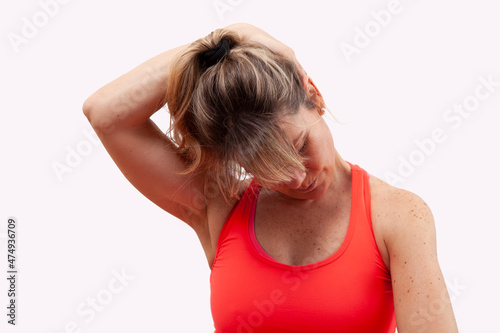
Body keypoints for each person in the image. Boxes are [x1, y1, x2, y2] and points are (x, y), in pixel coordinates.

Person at [83, 23, 458, 333]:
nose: (296, 178)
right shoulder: (222, 204)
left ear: (315, 96)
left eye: (299, 146)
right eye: (263, 166)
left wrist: (236, 37)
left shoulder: (396, 216)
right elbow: (105, 114)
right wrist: (224, 41)